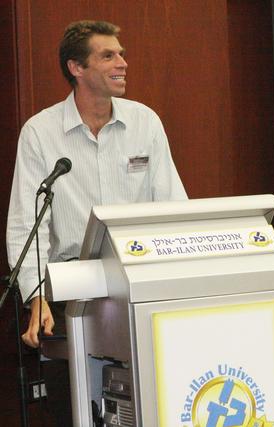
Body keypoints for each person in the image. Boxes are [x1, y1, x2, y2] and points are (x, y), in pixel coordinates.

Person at [6, 20, 187, 425]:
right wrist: (35, 297)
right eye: (108, 56)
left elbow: (173, 206)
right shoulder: (40, 133)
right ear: (76, 67)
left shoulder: (145, 122)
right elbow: (25, 225)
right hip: (71, 290)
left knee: (148, 403)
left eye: (121, 54)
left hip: (140, 283)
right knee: (75, 408)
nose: (122, 63)